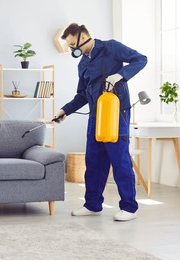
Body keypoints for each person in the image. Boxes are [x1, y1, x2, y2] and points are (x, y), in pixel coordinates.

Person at [56, 23, 147, 221]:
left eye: (73, 45)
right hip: (95, 117)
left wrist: (120, 75)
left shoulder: (111, 48)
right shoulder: (82, 64)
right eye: (70, 46)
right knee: (94, 162)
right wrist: (65, 111)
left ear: (84, 36)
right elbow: (81, 95)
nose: (73, 49)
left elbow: (141, 59)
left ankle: (129, 208)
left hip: (115, 114)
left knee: (120, 160)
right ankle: (93, 205)